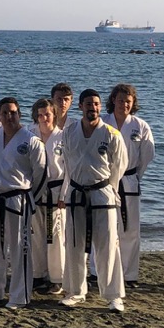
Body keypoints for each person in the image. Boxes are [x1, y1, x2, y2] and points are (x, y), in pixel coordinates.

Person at [57, 89, 127, 312]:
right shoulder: (69, 132)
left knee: (108, 246)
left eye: (96, 104)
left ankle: (113, 296)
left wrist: (108, 188)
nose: (93, 108)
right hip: (76, 192)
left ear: (100, 107)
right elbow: (67, 164)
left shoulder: (111, 134)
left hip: (102, 193)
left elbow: (119, 166)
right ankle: (75, 291)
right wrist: (68, 191)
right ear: (80, 106)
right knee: (74, 245)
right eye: (88, 104)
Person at [0, 98, 46, 309]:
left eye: (13, 112)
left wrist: (31, 199)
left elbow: (41, 175)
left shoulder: (31, 141)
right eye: (5, 113)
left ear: (19, 114)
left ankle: (19, 296)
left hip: (18, 198)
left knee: (19, 248)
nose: (9, 116)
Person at [103, 83, 155, 287]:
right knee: (103, 227)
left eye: (128, 101)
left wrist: (134, 175)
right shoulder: (102, 122)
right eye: (120, 100)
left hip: (129, 180)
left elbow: (147, 155)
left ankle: (129, 274)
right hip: (105, 181)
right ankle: (98, 272)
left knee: (130, 229)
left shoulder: (140, 126)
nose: (124, 104)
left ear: (133, 103)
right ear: (113, 100)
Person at [29, 98, 66, 295]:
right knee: (35, 234)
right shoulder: (30, 135)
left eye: (48, 114)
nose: (44, 118)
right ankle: (38, 274)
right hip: (35, 191)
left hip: (56, 192)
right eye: (41, 115)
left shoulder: (63, 137)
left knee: (55, 237)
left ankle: (57, 278)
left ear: (54, 115)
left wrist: (64, 194)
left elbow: (70, 169)